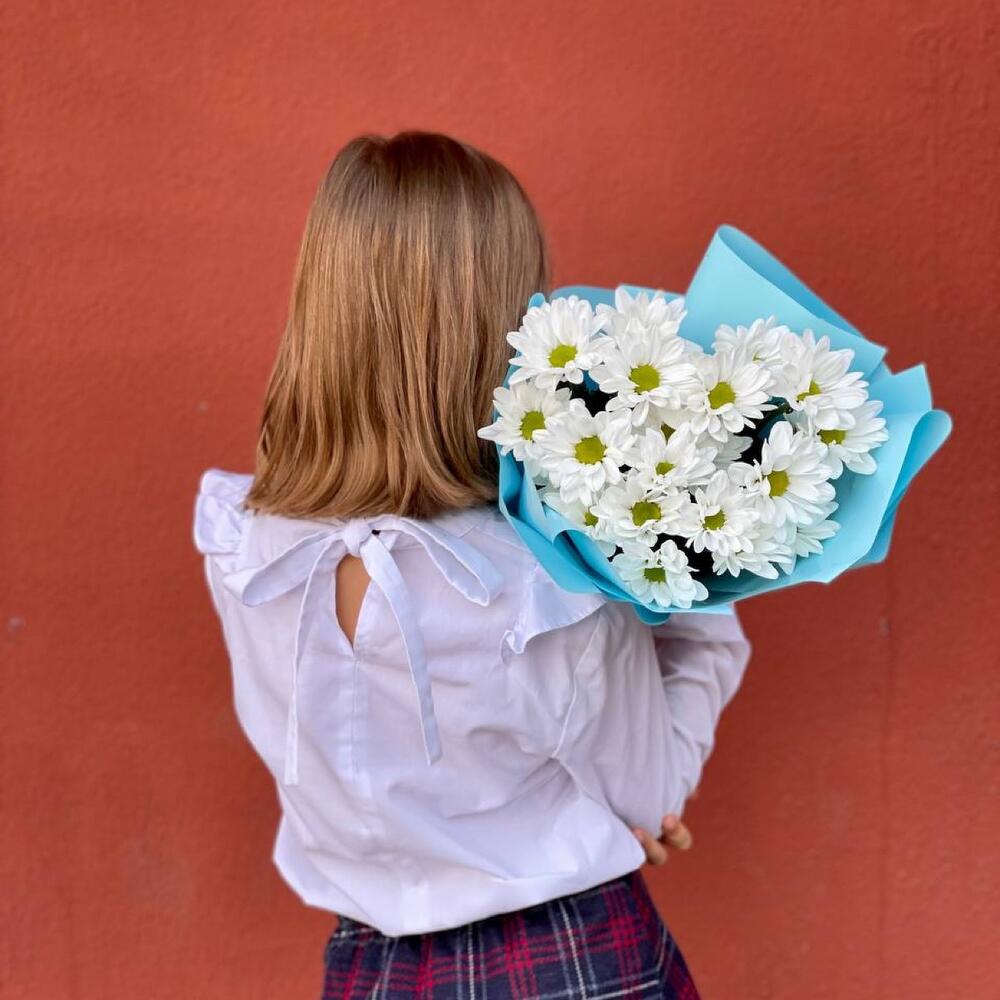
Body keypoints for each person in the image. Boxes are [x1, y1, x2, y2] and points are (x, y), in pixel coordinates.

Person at [193, 131, 751, 999]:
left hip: (369, 971)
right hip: (571, 962)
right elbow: (644, 792)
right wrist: (685, 547)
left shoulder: (244, 545)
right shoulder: (546, 576)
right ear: (508, 315)